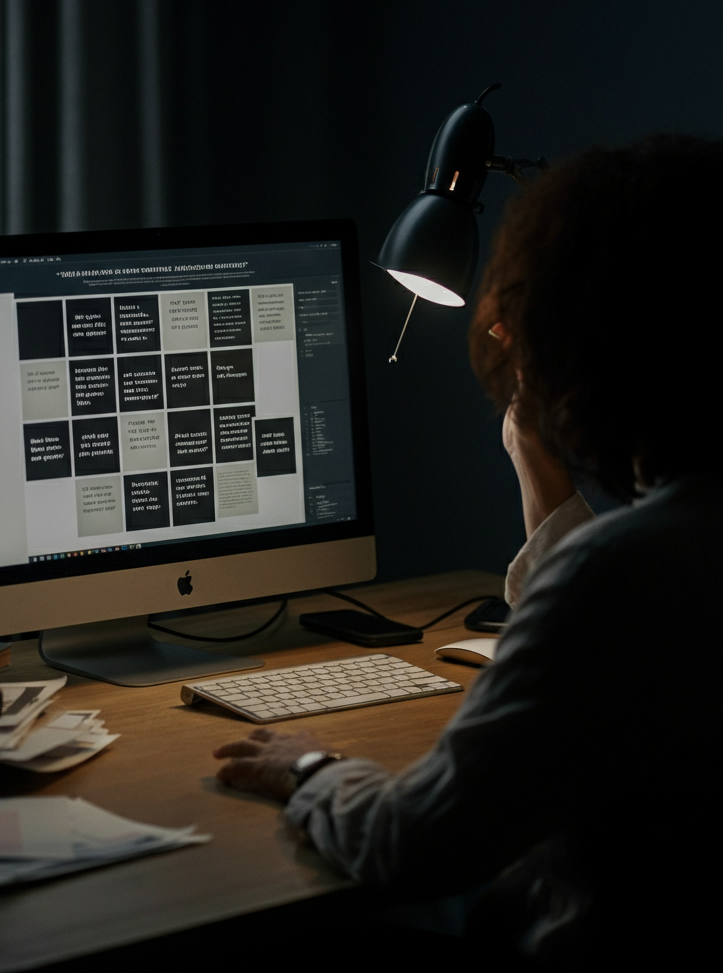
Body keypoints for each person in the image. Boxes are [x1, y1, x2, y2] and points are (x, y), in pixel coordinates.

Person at [212, 134, 721, 966]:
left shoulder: (625, 575)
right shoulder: (668, 552)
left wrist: (307, 767)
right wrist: (538, 464)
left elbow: (413, 843)